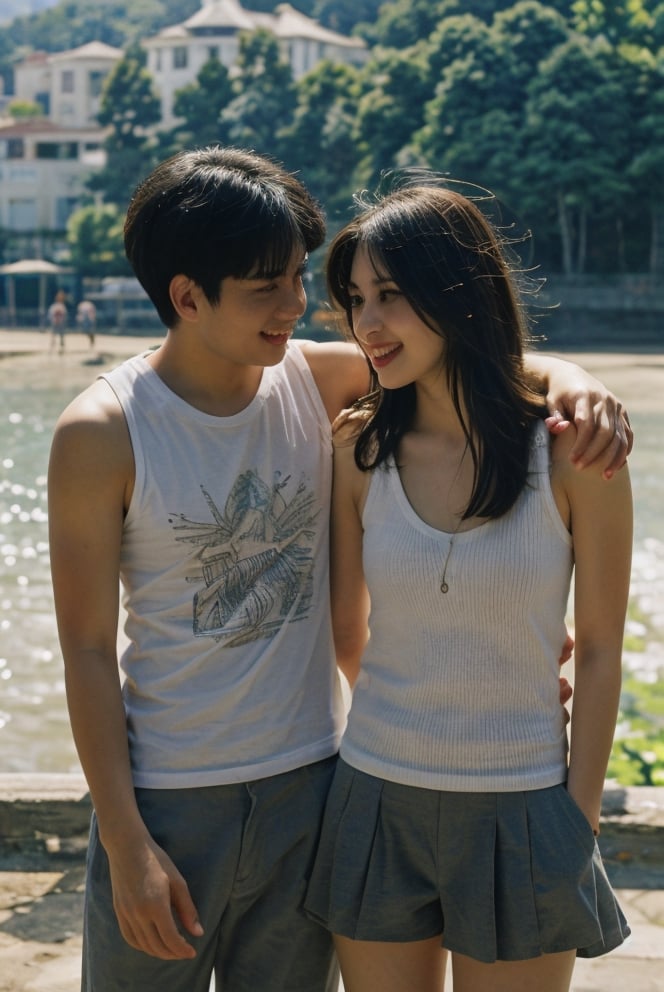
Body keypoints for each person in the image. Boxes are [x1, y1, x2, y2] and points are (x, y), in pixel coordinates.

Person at [48, 147, 631, 992]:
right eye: (268, 288)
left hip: (313, 789)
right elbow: (88, 653)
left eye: (299, 280)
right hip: (173, 803)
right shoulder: (102, 431)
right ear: (186, 296)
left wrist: (574, 380)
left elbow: (460, 352)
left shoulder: (310, 375)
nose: (305, 309)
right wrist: (126, 839)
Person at [304, 178, 633, 992]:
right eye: (354, 299)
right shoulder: (356, 450)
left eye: (390, 294)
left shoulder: (572, 454)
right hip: (376, 796)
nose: (368, 324)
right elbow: (347, 635)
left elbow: (598, 656)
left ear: (458, 291)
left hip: (525, 803)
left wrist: (576, 821)